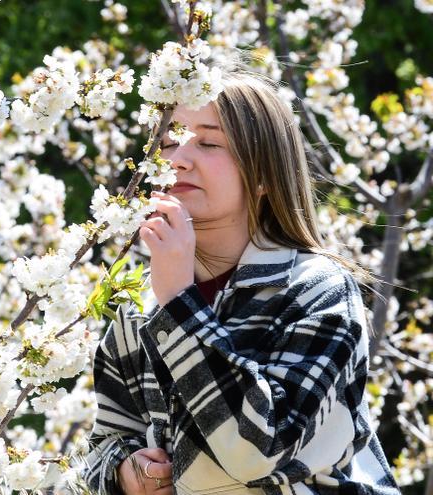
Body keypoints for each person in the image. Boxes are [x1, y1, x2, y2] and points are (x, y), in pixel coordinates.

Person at [81, 68, 401, 495]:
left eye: (210, 142)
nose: (178, 158)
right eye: (170, 140)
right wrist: (125, 473)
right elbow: (104, 443)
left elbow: (258, 452)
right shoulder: (140, 310)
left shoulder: (317, 292)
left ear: (266, 173)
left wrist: (179, 304)